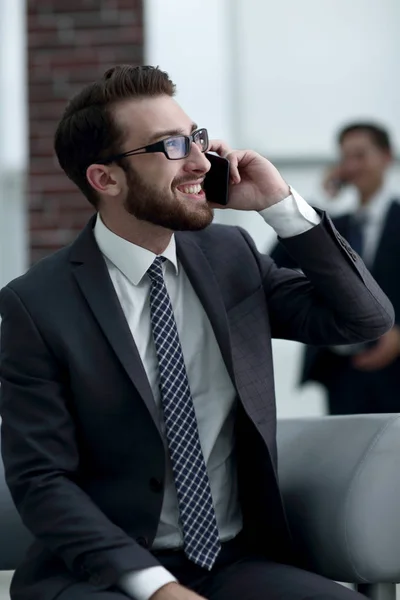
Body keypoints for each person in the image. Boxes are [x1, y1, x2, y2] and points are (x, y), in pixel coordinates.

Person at [0, 66, 393, 600]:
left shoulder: (230, 257)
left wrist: (280, 206)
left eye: (198, 137)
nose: (201, 160)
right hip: (104, 575)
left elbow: (364, 318)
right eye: (173, 145)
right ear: (105, 179)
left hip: (236, 563)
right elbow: (40, 480)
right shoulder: (36, 305)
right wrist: (156, 587)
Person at [270, 122, 400, 415]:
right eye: (345, 158)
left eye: (360, 155)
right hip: (341, 372)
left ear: (386, 158)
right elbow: (275, 263)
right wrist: (320, 200)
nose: (351, 166)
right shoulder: (331, 226)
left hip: (394, 370)